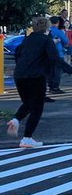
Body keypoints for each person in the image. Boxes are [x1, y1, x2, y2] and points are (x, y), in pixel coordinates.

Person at [6, 16, 58, 148]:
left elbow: (18, 54)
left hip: (19, 75)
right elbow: (54, 59)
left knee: (29, 103)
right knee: (37, 107)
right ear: (47, 28)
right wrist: (68, 70)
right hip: (36, 76)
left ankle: (16, 120)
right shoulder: (47, 40)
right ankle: (27, 138)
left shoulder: (27, 39)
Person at [47, 16, 70, 94]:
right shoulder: (59, 32)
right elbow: (66, 42)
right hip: (58, 54)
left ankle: (50, 87)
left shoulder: (47, 31)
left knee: (50, 71)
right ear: (58, 23)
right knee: (57, 72)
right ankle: (55, 88)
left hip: (48, 55)